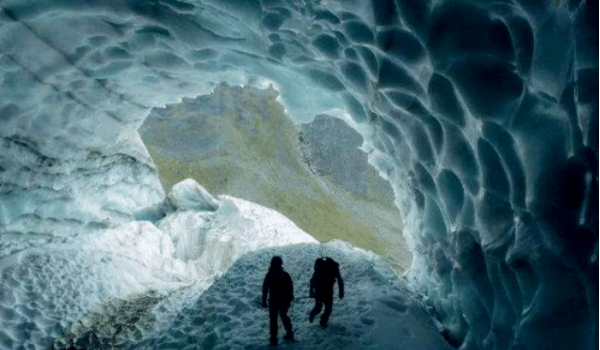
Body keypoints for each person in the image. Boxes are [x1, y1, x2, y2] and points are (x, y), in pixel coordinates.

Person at [262, 256, 294, 346]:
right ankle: (287, 333)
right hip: (281, 300)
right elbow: (290, 287)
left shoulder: (270, 275)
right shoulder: (284, 274)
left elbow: (265, 288)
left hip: (275, 300)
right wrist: (290, 297)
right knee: (282, 316)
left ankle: (274, 337)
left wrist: (264, 300)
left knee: (274, 318)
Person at [309, 257, 344, 328]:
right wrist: (341, 292)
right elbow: (340, 280)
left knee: (322, 308)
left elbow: (312, 280)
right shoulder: (333, 268)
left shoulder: (328, 267)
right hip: (324, 290)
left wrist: (311, 291)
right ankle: (320, 320)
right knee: (325, 308)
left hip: (322, 290)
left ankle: (321, 321)